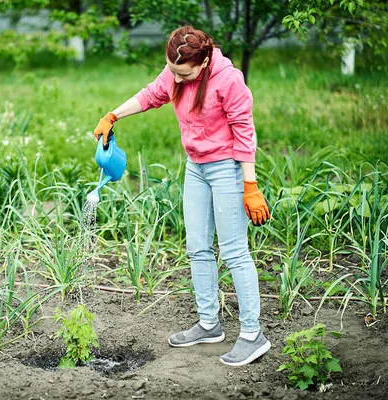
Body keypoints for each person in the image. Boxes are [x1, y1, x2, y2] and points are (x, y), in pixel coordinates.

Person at [93, 25, 271, 367]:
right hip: (196, 167)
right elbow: (151, 95)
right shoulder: (175, 70)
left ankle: (252, 334)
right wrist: (113, 115)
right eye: (171, 70)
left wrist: (251, 186)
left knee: (234, 251)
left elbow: (245, 134)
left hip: (226, 169)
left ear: (203, 64)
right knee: (197, 247)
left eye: (181, 73)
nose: (173, 77)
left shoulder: (229, 80)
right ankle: (209, 324)